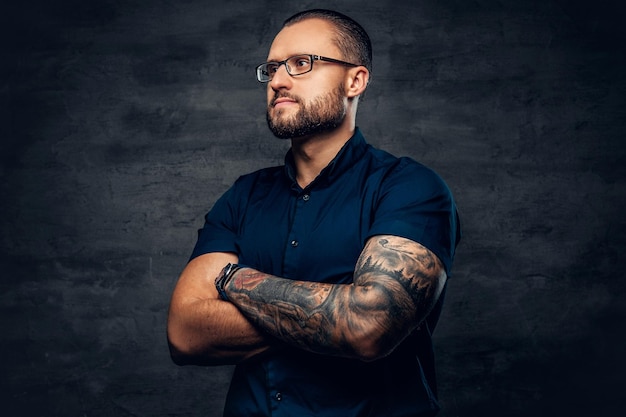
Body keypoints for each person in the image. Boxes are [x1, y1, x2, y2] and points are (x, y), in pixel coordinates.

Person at [167, 8, 461, 417]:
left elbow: (368, 327)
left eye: (301, 63)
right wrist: (329, 308)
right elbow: (185, 334)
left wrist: (234, 281)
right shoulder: (244, 195)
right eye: (271, 69)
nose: (279, 81)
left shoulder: (409, 187)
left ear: (355, 80)